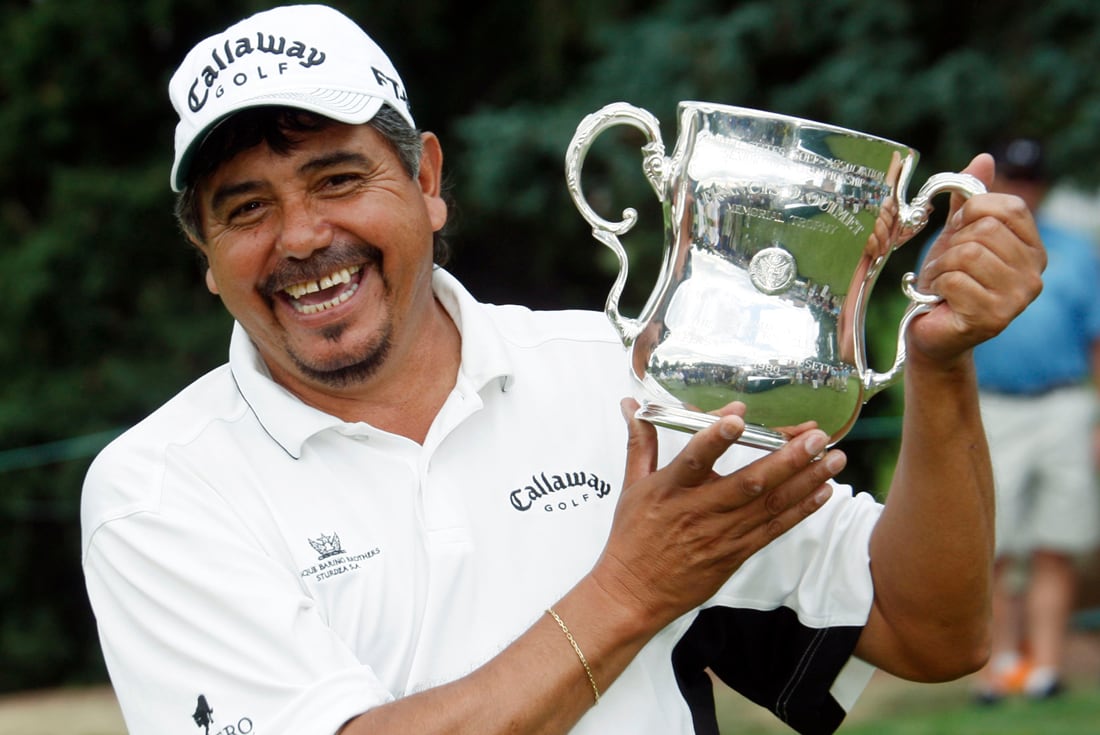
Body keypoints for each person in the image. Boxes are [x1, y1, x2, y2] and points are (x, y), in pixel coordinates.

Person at [79, 5, 1044, 735]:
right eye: (245, 208)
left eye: (338, 178)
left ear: (425, 182)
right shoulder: (159, 488)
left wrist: (940, 367)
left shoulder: (617, 371)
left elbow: (933, 631)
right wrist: (632, 588)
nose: (301, 237)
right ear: (206, 258)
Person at [963, 138, 1100, 702]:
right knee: (993, 547)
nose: (1019, 190)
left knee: (1054, 542)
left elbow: (1096, 341)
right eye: (1010, 179)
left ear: (1041, 186)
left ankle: (1044, 669)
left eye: (1029, 180)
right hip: (992, 407)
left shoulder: (1079, 251)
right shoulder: (965, 242)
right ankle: (999, 667)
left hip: (1064, 406)